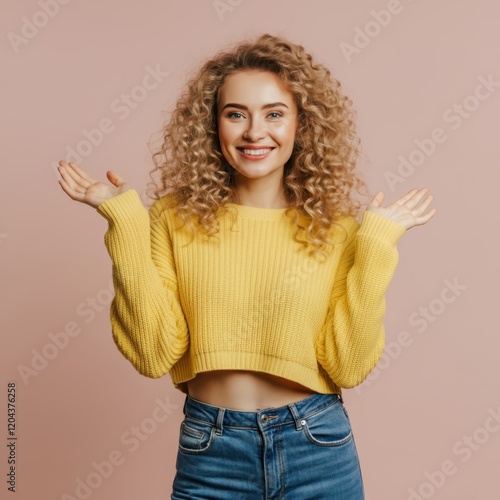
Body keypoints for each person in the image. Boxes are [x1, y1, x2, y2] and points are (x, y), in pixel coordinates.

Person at [57, 33, 436, 499]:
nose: (255, 132)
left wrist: (377, 246)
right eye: (236, 114)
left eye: (275, 114)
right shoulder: (173, 220)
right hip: (210, 449)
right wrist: (125, 222)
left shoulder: (336, 230)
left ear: (303, 125)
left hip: (317, 446)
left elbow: (348, 365)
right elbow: (154, 352)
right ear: (212, 125)